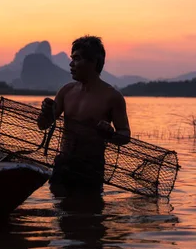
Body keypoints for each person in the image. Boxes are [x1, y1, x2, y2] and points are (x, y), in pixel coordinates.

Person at [37, 35, 131, 192]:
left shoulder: (113, 97)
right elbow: (42, 125)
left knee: (88, 211)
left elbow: (125, 135)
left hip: (91, 169)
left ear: (93, 62)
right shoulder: (66, 91)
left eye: (77, 59)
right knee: (60, 211)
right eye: (72, 58)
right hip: (63, 165)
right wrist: (46, 112)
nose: (71, 64)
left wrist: (110, 133)